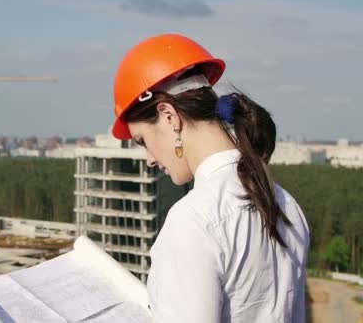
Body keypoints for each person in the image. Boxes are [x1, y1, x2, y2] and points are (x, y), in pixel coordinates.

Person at [111, 33, 310, 322]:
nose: (150, 159)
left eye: (142, 140)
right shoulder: (285, 202)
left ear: (169, 116)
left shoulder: (193, 221)